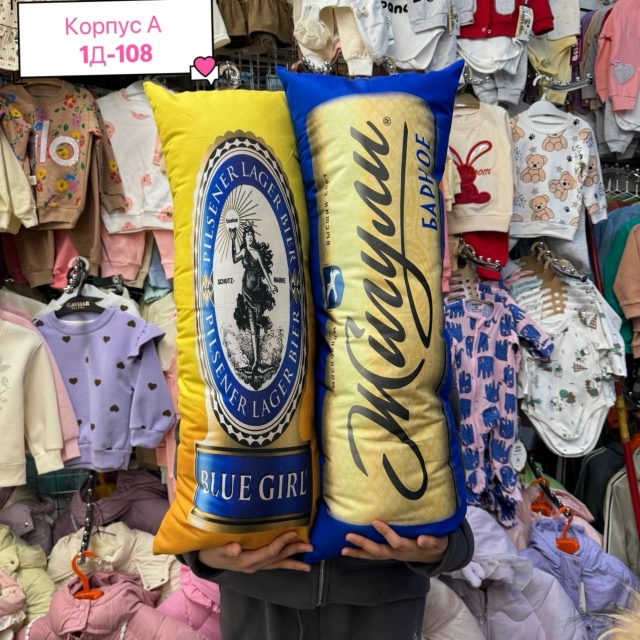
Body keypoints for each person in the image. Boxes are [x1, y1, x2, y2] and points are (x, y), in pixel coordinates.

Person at [178, 391, 474, 640]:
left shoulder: (404, 342)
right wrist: (200, 553)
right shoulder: (226, 340)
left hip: (381, 606)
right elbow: (190, 494)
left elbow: (449, 501)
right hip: (258, 605)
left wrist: (444, 549)